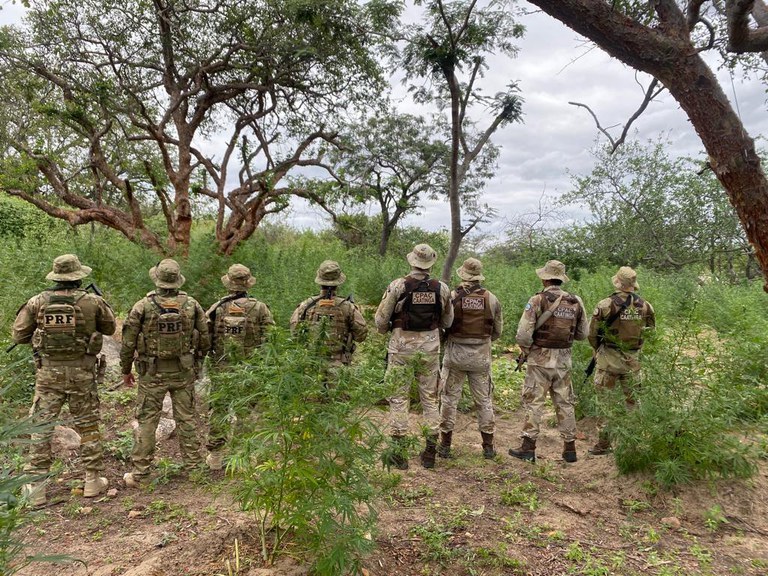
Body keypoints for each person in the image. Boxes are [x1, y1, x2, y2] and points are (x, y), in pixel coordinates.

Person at [12, 254, 116, 507]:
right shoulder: (92, 301)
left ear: (56, 277)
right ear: (79, 276)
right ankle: (92, 479)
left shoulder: (37, 302)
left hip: (48, 375)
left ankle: (36, 487)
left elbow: (19, 334)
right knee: (88, 426)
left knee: (41, 428)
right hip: (82, 372)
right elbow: (110, 329)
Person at [120, 259, 210, 486]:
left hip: (152, 373)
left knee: (147, 420)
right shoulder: (192, 305)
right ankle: (195, 469)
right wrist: (197, 363)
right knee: (187, 418)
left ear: (157, 279)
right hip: (183, 371)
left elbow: (128, 341)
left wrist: (125, 370)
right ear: (178, 279)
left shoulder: (143, 306)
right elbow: (205, 337)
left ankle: (141, 473)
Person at [375, 244, 453, 470]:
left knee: (398, 398)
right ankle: (430, 453)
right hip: (429, 350)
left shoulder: (398, 285)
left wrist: (390, 330)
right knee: (430, 400)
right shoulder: (442, 289)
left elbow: (381, 321)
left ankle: (399, 455)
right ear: (431, 263)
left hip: (401, 348)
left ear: (412, 261)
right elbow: (447, 322)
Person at [508, 260, 588, 463]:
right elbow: (582, 334)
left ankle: (528, 447)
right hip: (564, 360)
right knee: (565, 403)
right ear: (561, 279)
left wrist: (526, 350)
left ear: (545, 278)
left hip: (539, 360)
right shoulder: (575, 301)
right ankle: (570, 449)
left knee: (534, 402)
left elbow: (523, 334)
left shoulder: (537, 300)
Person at [205, 264, 274, 470]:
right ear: (247, 283)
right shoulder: (259, 308)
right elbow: (271, 338)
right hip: (249, 368)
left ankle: (216, 456)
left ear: (229, 283)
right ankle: (241, 457)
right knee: (245, 410)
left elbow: (205, 337)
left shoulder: (217, 308)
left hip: (221, 369)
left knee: (219, 409)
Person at [438, 258, 503, 459]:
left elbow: (444, 324)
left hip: (455, 355)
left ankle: (445, 446)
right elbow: (497, 331)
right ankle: (488, 448)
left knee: (449, 399)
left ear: (462, 274)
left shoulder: (451, 296)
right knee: (484, 401)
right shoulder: (492, 299)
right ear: (479, 276)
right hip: (481, 357)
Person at [587, 266, 655, 455]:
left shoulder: (605, 305)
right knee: (633, 403)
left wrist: (596, 350)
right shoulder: (646, 306)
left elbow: (592, 334)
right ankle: (633, 443)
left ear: (618, 282)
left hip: (608, 361)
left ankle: (603, 444)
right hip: (633, 362)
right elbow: (650, 333)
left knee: (605, 403)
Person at [290, 260, 368, 367]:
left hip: (311, 364)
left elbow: (295, 333)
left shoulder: (306, 305)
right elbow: (361, 336)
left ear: (320, 280)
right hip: (338, 365)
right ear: (339, 282)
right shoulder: (347, 307)